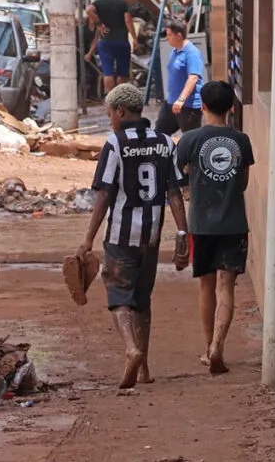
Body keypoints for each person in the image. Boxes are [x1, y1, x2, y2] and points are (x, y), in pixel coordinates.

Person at [77, 84, 191, 389]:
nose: (110, 119)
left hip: (120, 236)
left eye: (109, 113)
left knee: (119, 297)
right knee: (143, 300)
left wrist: (88, 239)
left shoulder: (115, 143)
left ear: (120, 111)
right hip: (152, 235)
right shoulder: (165, 142)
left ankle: (131, 349)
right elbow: (175, 193)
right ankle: (144, 368)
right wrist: (182, 234)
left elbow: (104, 194)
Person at [176, 80, 254, 374]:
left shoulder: (189, 140)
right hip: (234, 223)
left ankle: (209, 347)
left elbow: (182, 176)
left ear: (203, 106)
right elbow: (243, 183)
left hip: (202, 224)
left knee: (206, 286)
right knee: (227, 286)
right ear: (231, 107)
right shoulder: (241, 141)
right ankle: (219, 344)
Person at [86, 0, 138, 95]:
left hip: (105, 42)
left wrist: (99, 24)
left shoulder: (98, 3)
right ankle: (119, 97)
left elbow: (89, 10)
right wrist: (134, 38)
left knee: (108, 73)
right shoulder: (122, 3)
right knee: (122, 73)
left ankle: (110, 99)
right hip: (121, 42)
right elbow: (128, 20)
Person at [156, 18, 204, 137]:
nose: (167, 38)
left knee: (190, 139)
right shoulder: (174, 51)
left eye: (169, 35)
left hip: (187, 106)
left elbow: (193, 78)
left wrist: (181, 99)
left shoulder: (192, 53)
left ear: (179, 36)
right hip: (171, 103)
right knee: (159, 134)